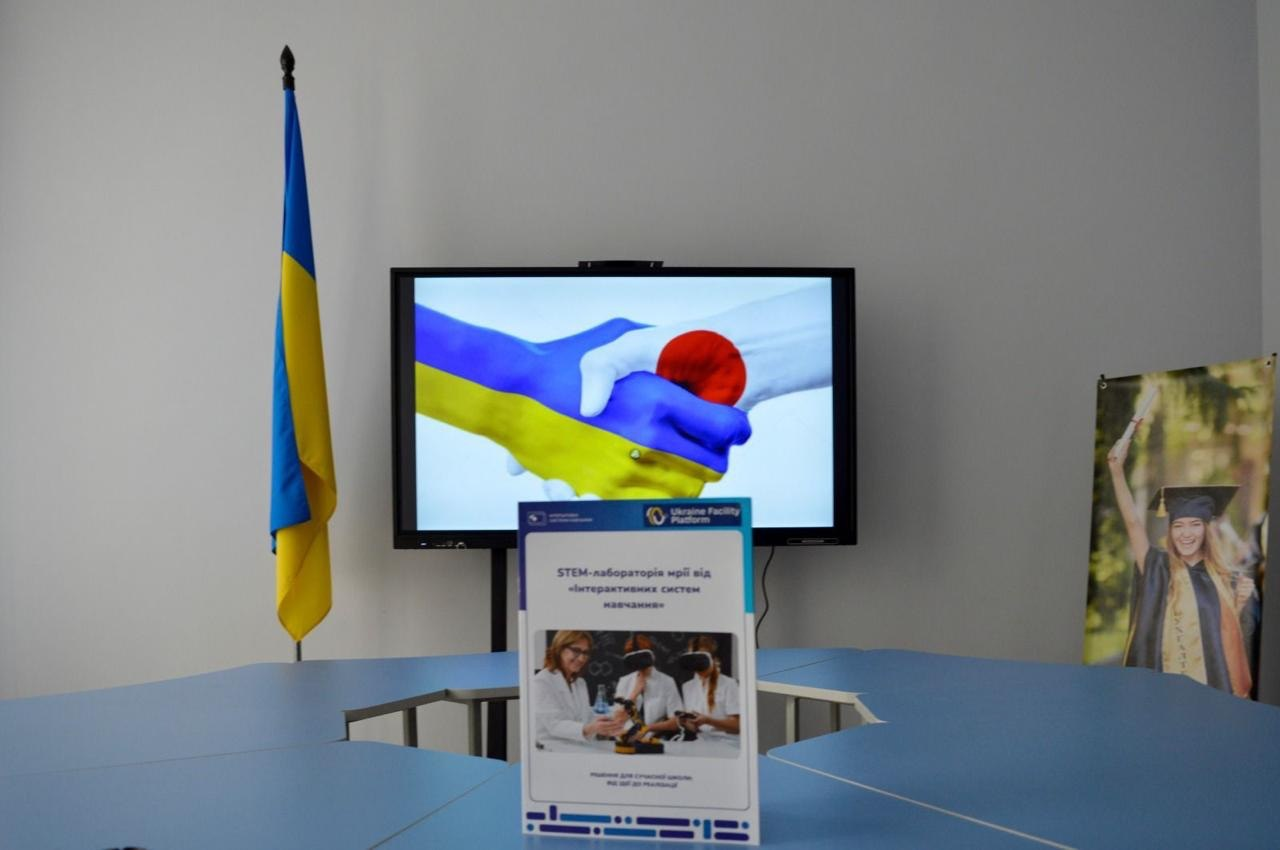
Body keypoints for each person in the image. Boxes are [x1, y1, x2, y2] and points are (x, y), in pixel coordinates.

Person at [1107, 427, 1255, 697]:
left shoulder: (1223, 578)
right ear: (1171, 530)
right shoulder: (1156, 566)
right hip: (1160, 692)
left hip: (1206, 694)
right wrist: (1117, 472)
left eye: (1195, 524)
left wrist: (1239, 604)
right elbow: (1133, 522)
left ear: (1206, 530)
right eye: (1178, 525)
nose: (1186, 533)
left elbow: (1228, 645)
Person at [531, 631, 625, 744]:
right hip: (551, 746)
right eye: (576, 651)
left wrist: (608, 726)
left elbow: (585, 717)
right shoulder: (541, 681)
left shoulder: (579, 683)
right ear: (559, 649)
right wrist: (591, 728)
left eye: (585, 653)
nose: (581, 658)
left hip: (577, 745)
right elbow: (555, 725)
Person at [611, 634, 683, 733]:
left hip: (655, 737)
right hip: (626, 737)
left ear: (652, 656)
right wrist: (634, 693)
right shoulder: (624, 681)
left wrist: (647, 729)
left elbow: (676, 722)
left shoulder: (667, 682)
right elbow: (617, 720)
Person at [678, 635, 741, 734]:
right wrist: (686, 723)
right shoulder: (687, 687)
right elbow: (693, 728)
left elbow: (738, 725)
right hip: (700, 740)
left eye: (701, 658)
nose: (697, 662)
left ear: (713, 659)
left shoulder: (729, 684)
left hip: (726, 741)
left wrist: (709, 721)